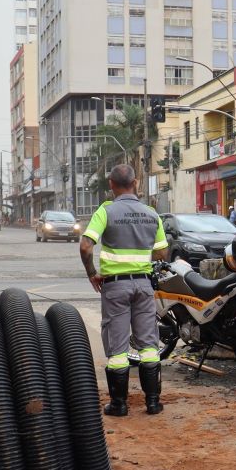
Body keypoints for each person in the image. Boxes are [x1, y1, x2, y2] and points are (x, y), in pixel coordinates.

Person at [79, 164, 169, 417]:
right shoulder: (151, 213)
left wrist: (92, 273)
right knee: (149, 345)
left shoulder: (106, 211)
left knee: (117, 348)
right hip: (143, 284)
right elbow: (162, 252)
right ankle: (153, 403)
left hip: (115, 286)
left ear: (111, 185)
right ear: (136, 183)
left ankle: (119, 405)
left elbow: (85, 246)